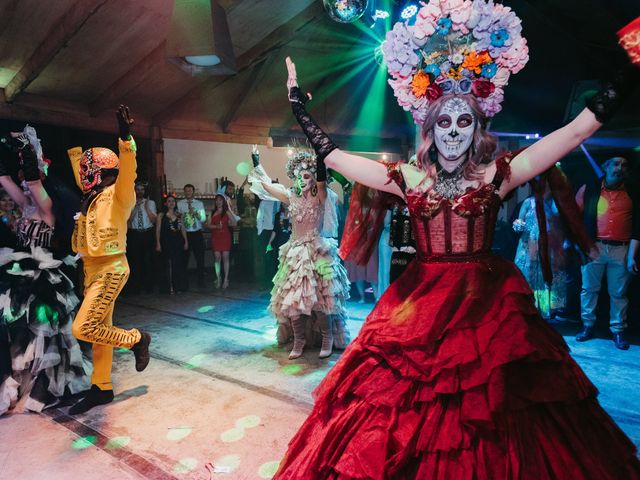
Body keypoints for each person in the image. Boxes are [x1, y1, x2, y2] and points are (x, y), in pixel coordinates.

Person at [274, 3, 640, 475]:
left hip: (488, 308)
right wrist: (298, 107)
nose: (452, 132)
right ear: (430, 129)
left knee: (498, 410)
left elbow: (576, 131)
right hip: (421, 304)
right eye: (443, 123)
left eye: (462, 122)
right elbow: (337, 157)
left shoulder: (499, 174)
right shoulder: (407, 176)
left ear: (476, 129)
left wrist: (629, 65)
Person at [67, 105, 151, 415]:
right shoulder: (90, 199)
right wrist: (76, 154)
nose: (84, 175)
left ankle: (136, 339)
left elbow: (128, 170)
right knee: (99, 331)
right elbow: (82, 175)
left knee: (83, 327)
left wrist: (125, 138)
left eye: (88, 170)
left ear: (98, 173)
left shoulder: (119, 194)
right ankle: (100, 387)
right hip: (91, 271)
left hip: (111, 268)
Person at [0, 125, 89, 414]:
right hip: (20, 272)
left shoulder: (46, 207)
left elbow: (36, 182)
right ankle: (17, 378)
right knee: (20, 330)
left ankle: (44, 383)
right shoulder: (26, 205)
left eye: (28, 179)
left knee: (45, 331)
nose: (24, 183)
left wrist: (28, 149)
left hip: (44, 274)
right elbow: (4, 179)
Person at [248, 145, 350, 360]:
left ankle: (327, 339)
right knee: (293, 299)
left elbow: (322, 182)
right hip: (295, 253)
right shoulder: (290, 195)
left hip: (317, 251)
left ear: (313, 178)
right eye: (297, 176)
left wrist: (320, 160)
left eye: (306, 175)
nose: (301, 180)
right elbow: (267, 187)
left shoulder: (321, 195)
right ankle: (299, 340)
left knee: (322, 299)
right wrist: (256, 162)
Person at [575, 156, 639, 350]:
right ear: (605, 167)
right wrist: (580, 244)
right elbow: (574, 218)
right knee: (589, 289)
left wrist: (632, 256)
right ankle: (587, 326)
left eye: (624, 165)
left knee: (618, 293)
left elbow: (638, 226)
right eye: (615, 164)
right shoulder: (589, 189)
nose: (619, 168)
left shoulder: (634, 192)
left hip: (621, 248)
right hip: (595, 246)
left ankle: (618, 331)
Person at [126, 181, 157, 294]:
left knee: (148, 260)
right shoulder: (130, 203)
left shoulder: (151, 203)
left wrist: (147, 207)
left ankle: (149, 286)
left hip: (147, 233)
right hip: (135, 234)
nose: (140, 192)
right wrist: (135, 206)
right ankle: (136, 287)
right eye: (137, 189)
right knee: (135, 261)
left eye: (142, 189)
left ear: (144, 191)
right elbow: (129, 220)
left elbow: (154, 220)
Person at [156, 195, 188, 294]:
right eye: (169, 201)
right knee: (167, 265)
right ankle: (169, 288)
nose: (171, 203)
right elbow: (158, 230)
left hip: (178, 242)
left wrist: (186, 241)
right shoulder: (161, 215)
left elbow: (183, 228)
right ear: (165, 203)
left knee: (178, 264)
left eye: (173, 201)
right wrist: (158, 243)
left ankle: (178, 286)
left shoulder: (179, 214)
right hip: (166, 242)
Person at [177, 183, 206, 288]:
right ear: (184, 192)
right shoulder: (180, 204)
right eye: (186, 190)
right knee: (184, 259)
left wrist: (196, 213)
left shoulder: (199, 204)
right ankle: (184, 283)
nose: (188, 192)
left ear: (193, 192)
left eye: (190, 190)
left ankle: (201, 282)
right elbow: (178, 219)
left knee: (200, 259)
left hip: (197, 233)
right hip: (185, 234)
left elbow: (203, 219)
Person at [209, 193, 236, 289]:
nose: (218, 202)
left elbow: (235, 222)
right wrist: (216, 226)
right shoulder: (213, 212)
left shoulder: (227, 212)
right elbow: (208, 225)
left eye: (220, 200)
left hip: (225, 236)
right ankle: (218, 277)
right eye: (217, 200)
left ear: (223, 202)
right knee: (217, 258)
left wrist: (229, 223)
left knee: (225, 257)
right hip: (216, 236)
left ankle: (226, 279)